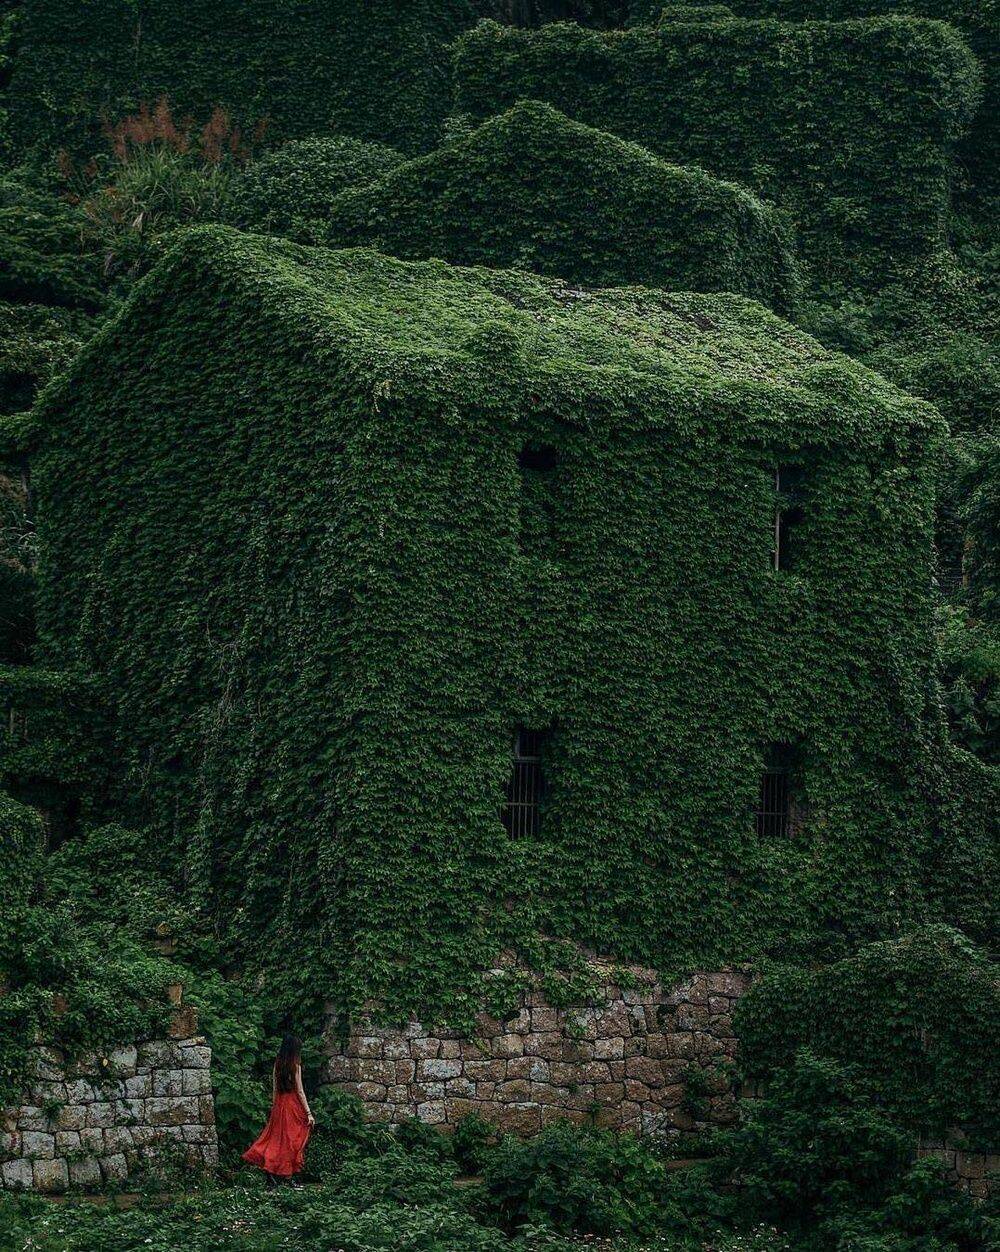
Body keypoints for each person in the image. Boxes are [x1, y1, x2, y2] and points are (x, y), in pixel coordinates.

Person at [243, 1034, 315, 1184]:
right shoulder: (295, 1065)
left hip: (279, 1104)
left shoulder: (278, 1064)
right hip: (292, 1104)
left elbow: (275, 1089)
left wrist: (275, 1107)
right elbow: (300, 1090)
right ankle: (287, 1177)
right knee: (292, 1140)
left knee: (275, 1139)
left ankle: (271, 1173)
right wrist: (308, 1113)